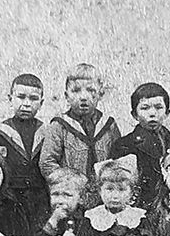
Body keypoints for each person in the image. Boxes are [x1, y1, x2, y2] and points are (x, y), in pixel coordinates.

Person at [38, 63, 121, 203]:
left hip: (104, 198)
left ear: (100, 94)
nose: (83, 97)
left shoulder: (109, 125)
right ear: (67, 96)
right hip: (71, 196)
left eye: (91, 90)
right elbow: (47, 162)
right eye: (76, 90)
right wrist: (70, 183)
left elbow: (118, 160)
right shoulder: (59, 125)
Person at [0, 73, 49, 233]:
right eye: (21, 97)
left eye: (33, 99)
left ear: (41, 103)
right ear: (10, 98)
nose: (26, 104)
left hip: (40, 199)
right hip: (10, 198)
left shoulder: (48, 133)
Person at [110, 82, 170, 208]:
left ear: (167, 112)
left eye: (158, 107)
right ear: (134, 115)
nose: (152, 113)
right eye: (145, 108)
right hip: (139, 209)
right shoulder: (124, 145)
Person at [34, 167, 87, 236]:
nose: (60, 201)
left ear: (81, 198)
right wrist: (53, 221)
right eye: (55, 194)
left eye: (67, 195)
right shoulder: (45, 217)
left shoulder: (86, 218)